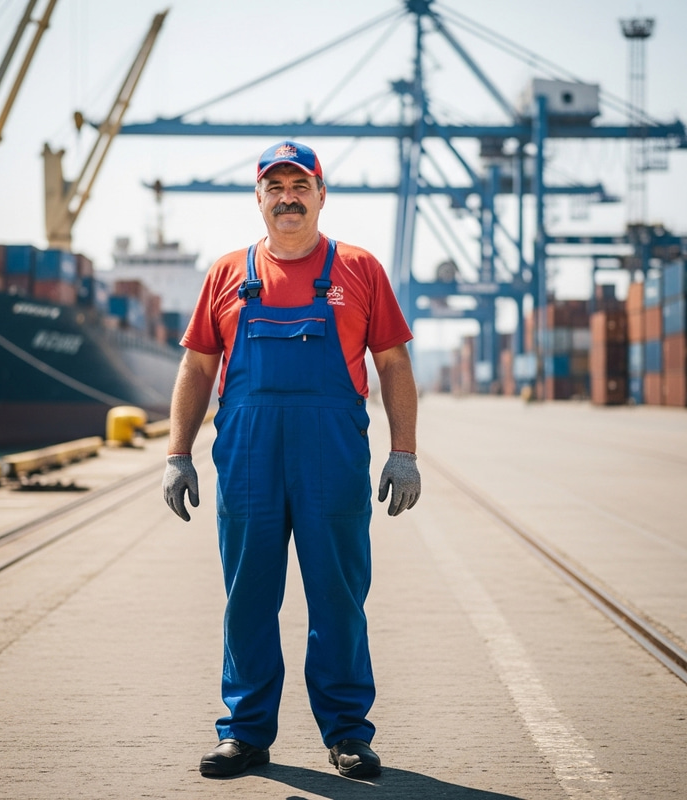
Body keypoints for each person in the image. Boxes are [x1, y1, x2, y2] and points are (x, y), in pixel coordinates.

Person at [162, 140, 421, 780]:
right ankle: (245, 735)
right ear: (259, 199)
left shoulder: (359, 269)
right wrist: (177, 455)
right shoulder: (227, 273)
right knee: (248, 596)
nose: (287, 197)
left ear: (320, 195)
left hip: (330, 457)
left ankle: (348, 736)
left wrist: (404, 453)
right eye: (274, 187)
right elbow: (197, 366)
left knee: (337, 597)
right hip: (247, 457)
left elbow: (392, 363)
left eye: (299, 185)